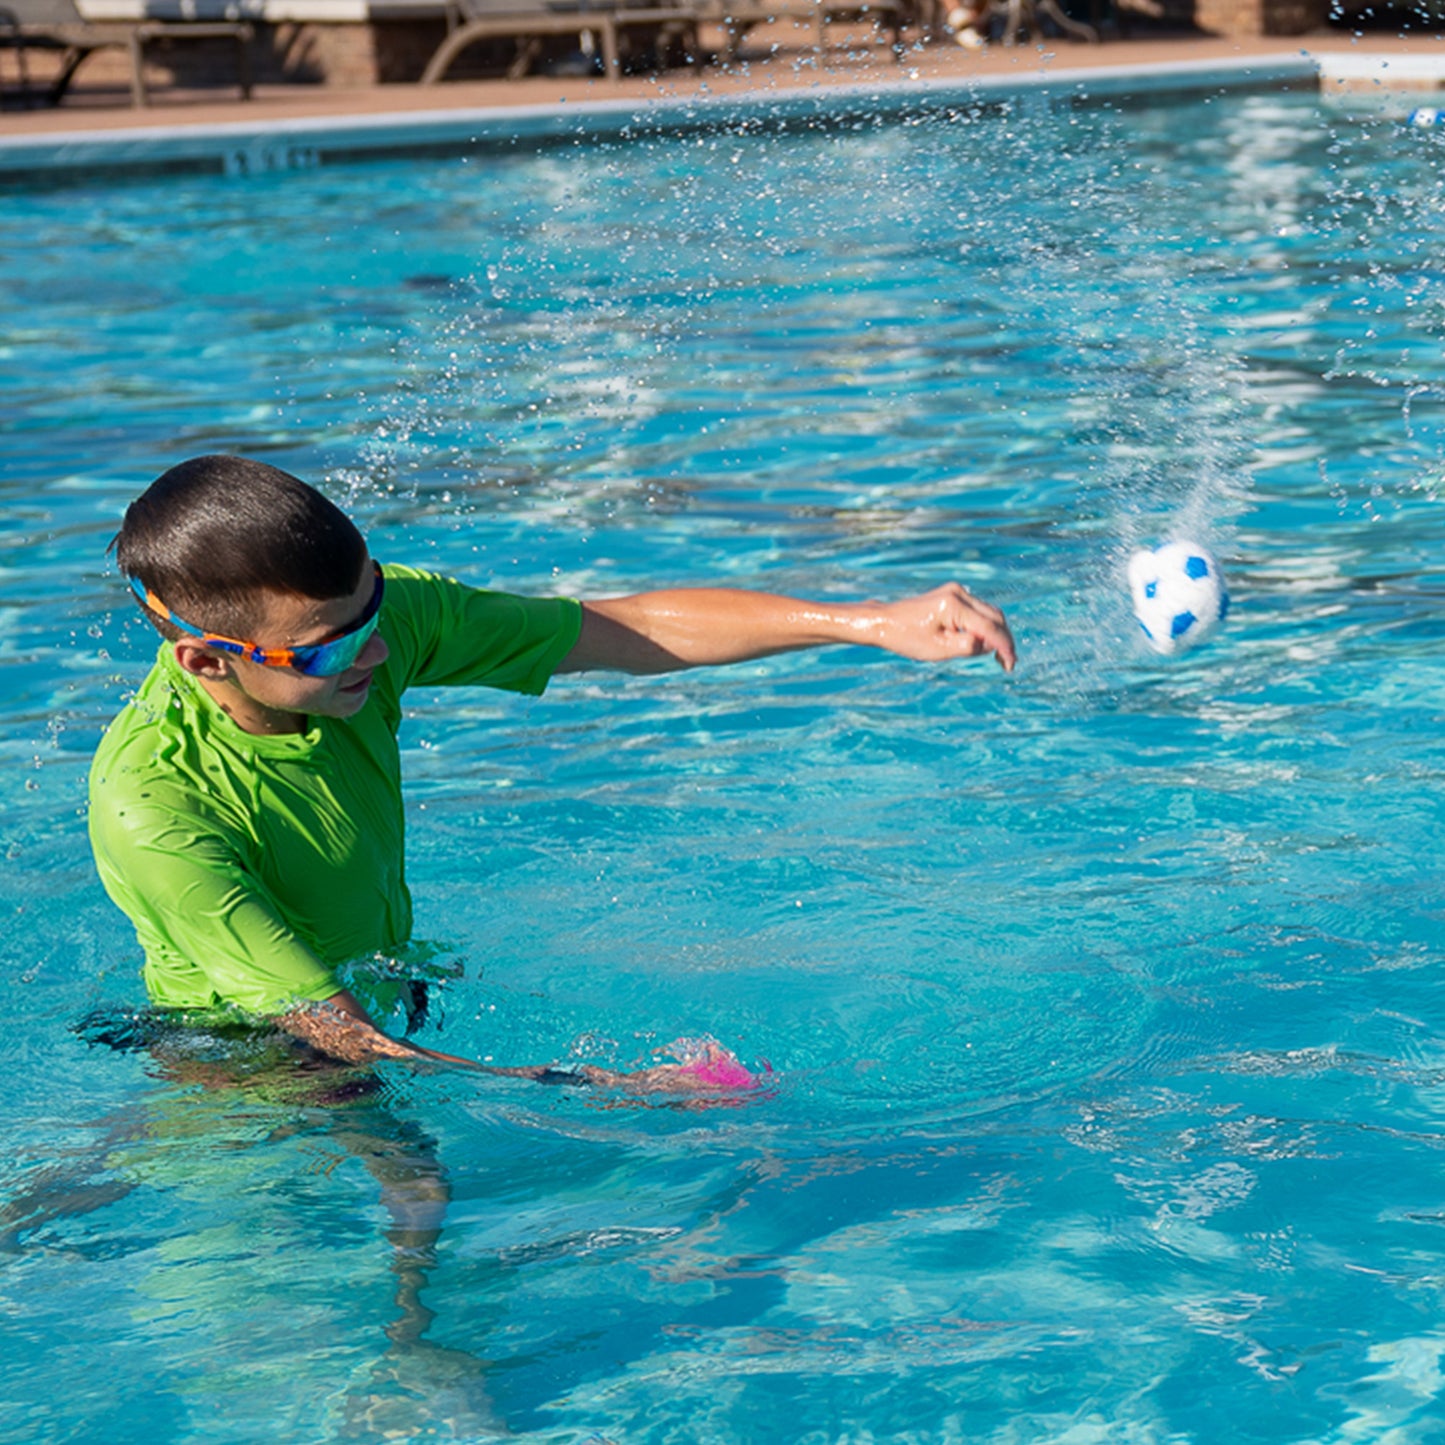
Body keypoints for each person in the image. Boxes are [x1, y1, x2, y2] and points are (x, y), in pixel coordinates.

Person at [89, 455, 1016, 1092]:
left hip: (376, 994)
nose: (376, 653)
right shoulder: (156, 807)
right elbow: (344, 1037)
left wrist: (870, 622)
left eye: (375, 609)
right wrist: (606, 1087)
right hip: (256, 1061)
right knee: (416, 1214)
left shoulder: (357, 629)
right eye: (333, 649)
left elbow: (619, 627)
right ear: (205, 660)